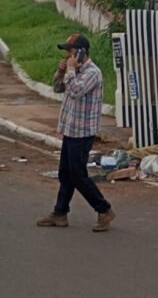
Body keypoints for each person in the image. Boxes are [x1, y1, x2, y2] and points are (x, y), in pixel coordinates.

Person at [37, 34, 115, 232]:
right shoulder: (75, 70)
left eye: (70, 52)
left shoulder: (92, 73)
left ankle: (104, 209)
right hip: (71, 129)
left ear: (81, 52)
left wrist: (70, 70)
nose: (67, 56)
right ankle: (60, 212)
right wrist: (61, 71)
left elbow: (76, 91)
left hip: (83, 132)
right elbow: (58, 89)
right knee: (65, 173)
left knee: (78, 175)